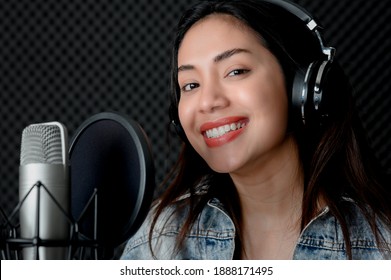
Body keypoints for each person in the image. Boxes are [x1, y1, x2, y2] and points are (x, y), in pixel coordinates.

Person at [121, 0, 391, 259]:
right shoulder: (161, 240)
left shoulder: (381, 244)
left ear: (303, 88)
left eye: (235, 71)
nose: (208, 102)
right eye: (191, 85)